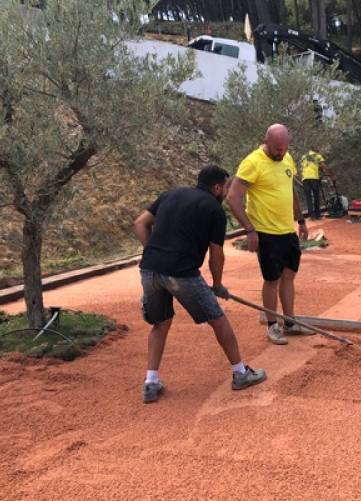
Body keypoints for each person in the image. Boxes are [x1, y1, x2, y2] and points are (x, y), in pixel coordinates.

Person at [133, 166, 267, 403]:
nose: (227, 192)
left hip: (150, 270)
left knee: (160, 323)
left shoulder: (170, 194)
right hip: (182, 274)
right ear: (216, 187)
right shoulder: (214, 210)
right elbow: (217, 254)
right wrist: (217, 285)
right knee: (218, 320)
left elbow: (140, 223)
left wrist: (153, 252)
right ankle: (240, 373)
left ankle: (151, 383)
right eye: (226, 187)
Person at [226, 124, 314, 346]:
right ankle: (272, 326)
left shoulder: (287, 159)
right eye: (277, 148)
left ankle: (290, 323)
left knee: (289, 276)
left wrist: (301, 220)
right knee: (271, 280)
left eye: (284, 148)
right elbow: (233, 198)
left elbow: (290, 190)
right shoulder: (252, 162)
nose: (281, 153)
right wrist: (250, 229)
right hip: (266, 232)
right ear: (265, 141)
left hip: (287, 230)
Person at [300, 147, 335, 220]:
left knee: (308, 198)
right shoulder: (317, 156)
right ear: (315, 150)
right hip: (313, 178)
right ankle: (318, 215)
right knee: (316, 196)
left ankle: (311, 216)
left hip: (305, 178)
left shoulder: (304, 156)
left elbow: (306, 167)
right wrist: (331, 174)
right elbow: (323, 166)